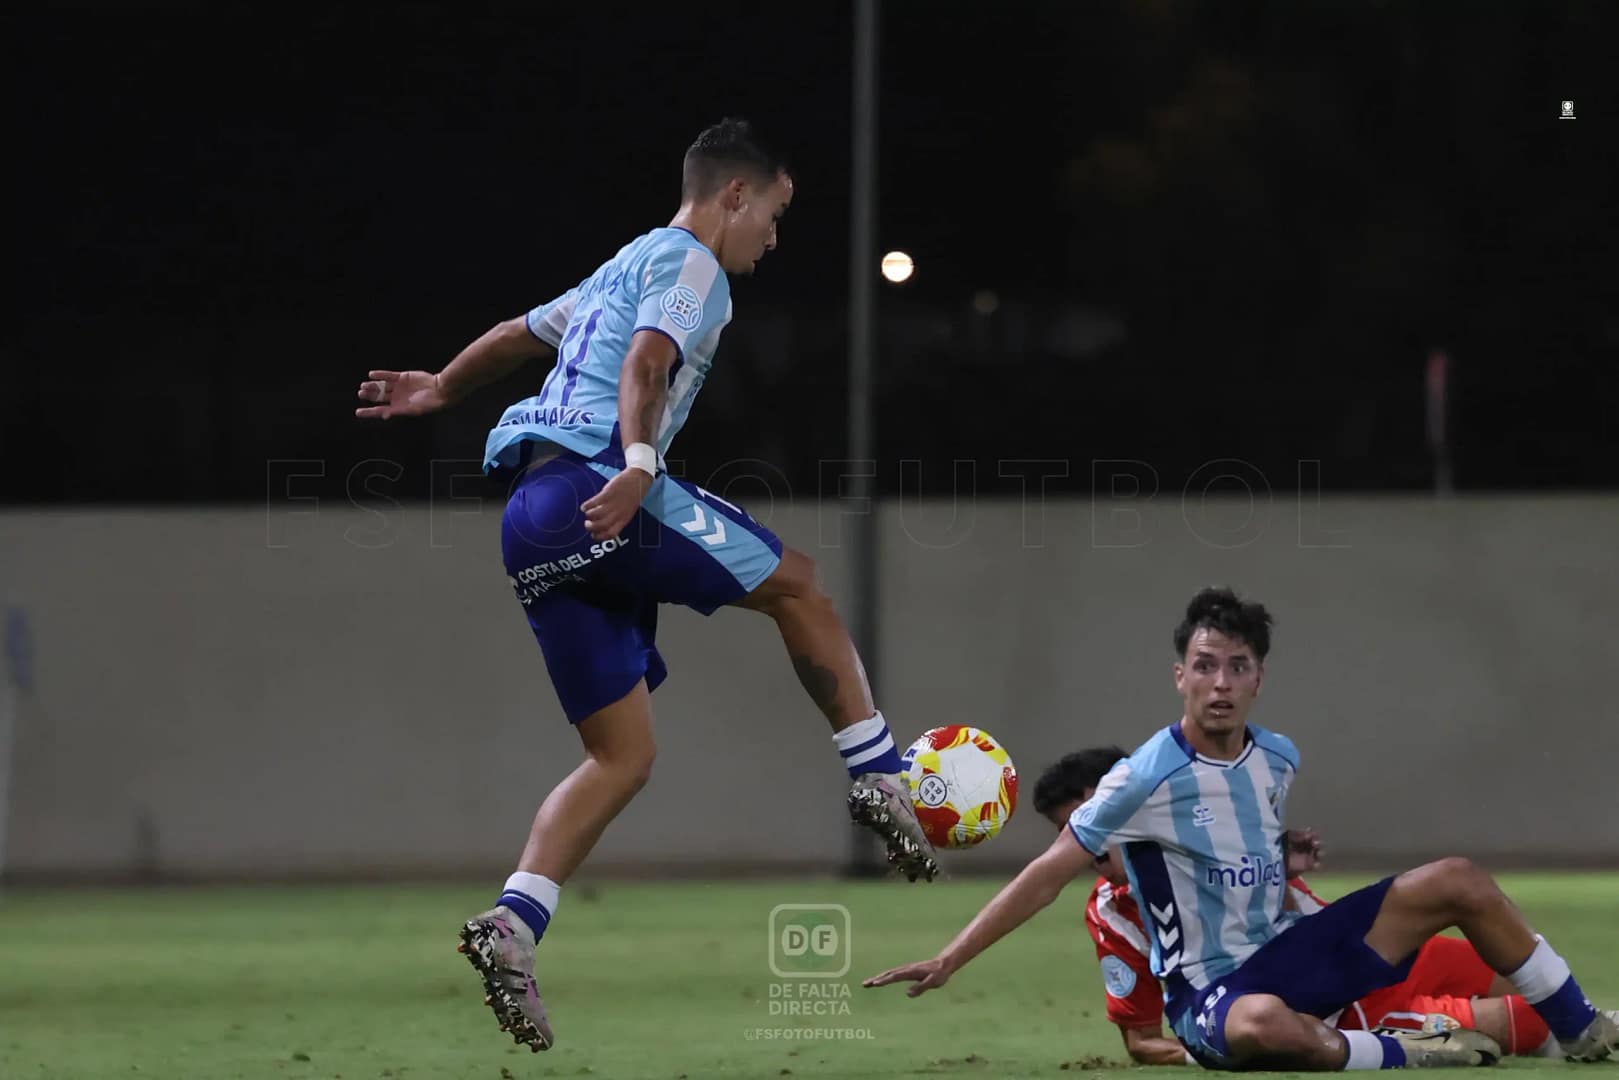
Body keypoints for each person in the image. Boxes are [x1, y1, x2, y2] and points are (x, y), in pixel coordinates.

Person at [355, 118, 936, 1052]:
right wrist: (633, 462)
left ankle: (515, 922)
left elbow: (515, 334)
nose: (773, 239)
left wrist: (440, 388)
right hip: (598, 484)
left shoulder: (621, 263)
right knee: (800, 585)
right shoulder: (690, 264)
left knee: (621, 757)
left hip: (528, 517)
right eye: (775, 215)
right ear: (735, 196)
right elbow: (646, 362)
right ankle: (877, 776)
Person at [865, 587, 1618, 1070]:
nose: (1219, 683)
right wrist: (951, 956)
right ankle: (1405, 1053)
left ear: (1259, 677)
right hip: (1214, 998)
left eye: (1236, 666)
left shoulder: (1277, 757)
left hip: (1295, 957)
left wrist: (1278, 855)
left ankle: (1582, 1029)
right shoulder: (1141, 777)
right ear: (1178, 676)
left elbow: (1229, 847)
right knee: (1261, 1026)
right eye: (1203, 666)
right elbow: (1048, 872)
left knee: (1457, 879)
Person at [1031, 747, 1561, 1065]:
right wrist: (1239, 1045)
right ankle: (1390, 1044)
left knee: (1534, 977)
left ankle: (1588, 1023)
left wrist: (1278, 868)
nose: (1089, 839)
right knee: (1530, 1024)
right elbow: (1143, 1040)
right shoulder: (1115, 913)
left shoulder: (1206, 829)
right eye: (1068, 830)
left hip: (1380, 948)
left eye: (1097, 816)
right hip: (1344, 1000)